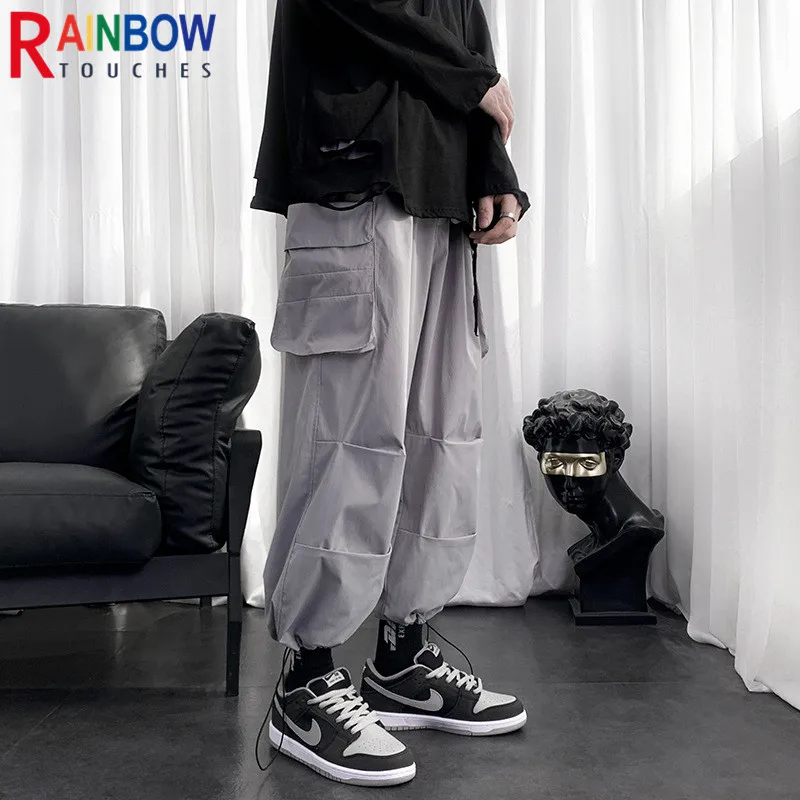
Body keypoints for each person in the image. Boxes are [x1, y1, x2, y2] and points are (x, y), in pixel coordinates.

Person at [252, 0, 530, 786]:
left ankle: (401, 659)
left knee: (443, 434)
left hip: (442, 190)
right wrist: (470, 80)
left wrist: (493, 167)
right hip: (355, 168)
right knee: (352, 436)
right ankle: (306, 683)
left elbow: (468, 33)